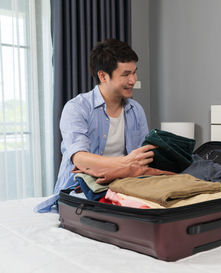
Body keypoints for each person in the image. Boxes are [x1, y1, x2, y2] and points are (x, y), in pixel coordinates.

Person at [35, 39, 156, 212]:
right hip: (82, 189)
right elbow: (80, 159)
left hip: (125, 186)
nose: (133, 80)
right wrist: (125, 163)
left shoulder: (136, 110)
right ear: (103, 76)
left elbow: (142, 158)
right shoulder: (77, 108)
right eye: (126, 74)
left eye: (135, 72)